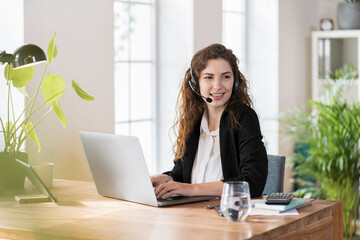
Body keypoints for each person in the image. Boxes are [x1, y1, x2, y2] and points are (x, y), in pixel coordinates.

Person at [151, 43, 268, 199]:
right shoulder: (193, 121)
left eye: (226, 77)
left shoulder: (243, 117)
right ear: (195, 83)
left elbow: (252, 183)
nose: (217, 86)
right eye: (208, 77)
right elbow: (182, 175)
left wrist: (191, 189)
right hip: (193, 214)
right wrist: (167, 179)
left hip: (228, 214)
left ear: (235, 81)